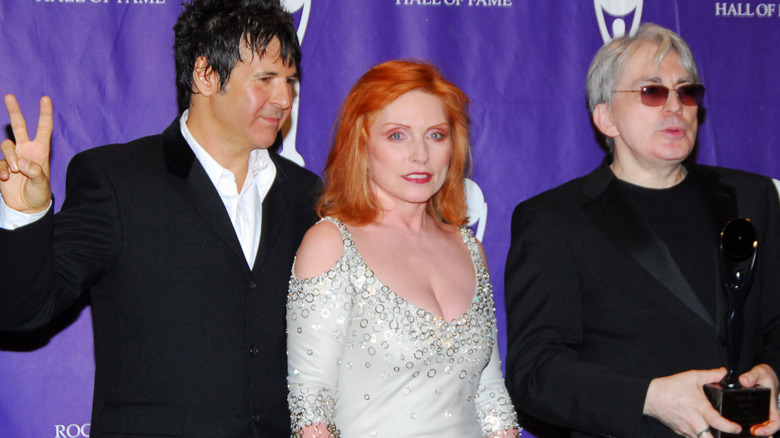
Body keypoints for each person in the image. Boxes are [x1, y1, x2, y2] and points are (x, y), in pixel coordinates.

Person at [0, 0, 320, 436]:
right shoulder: (117, 180)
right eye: (265, 79)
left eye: (289, 80)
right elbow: (23, 312)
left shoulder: (307, 194)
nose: (284, 99)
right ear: (205, 75)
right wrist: (26, 215)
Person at [504, 23, 780, 438]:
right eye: (652, 92)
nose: (675, 107)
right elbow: (534, 372)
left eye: (686, 92)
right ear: (605, 117)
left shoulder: (751, 196)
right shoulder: (553, 219)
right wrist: (649, 397)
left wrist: (773, 372)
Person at [285, 59, 519, 437]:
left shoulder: (471, 249)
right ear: (362, 143)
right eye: (397, 135)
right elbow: (312, 406)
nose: (420, 155)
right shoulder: (331, 244)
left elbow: (490, 395)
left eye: (436, 135)